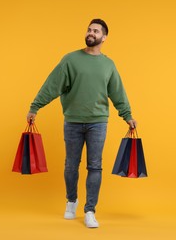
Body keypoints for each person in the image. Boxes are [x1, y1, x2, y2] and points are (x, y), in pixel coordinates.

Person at [26, 19, 137, 228]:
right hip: (73, 121)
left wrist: (127, 115)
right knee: (70, 165)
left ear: (104, 38)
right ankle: (71, 200)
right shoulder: (70, 60)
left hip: (98, 123)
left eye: (96, 31)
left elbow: (117, 92)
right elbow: (52, 85)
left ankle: (89, 211)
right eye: (89, 29)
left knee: (95, 166)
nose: (91, 33)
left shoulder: (108, 64)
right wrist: (35, 107)